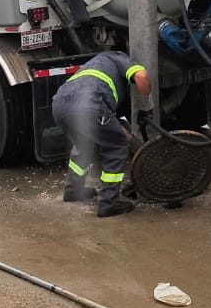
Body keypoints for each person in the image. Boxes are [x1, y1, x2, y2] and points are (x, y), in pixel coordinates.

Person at [51, 51, 152, 218]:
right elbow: (142, 77)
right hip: (91, 105)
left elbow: (120, 109)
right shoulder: (118, 57)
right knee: (116, 145)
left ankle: (73, 191)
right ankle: (108, 203)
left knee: (84, 143)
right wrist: (147, 95)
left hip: (60, 105)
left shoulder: (95, 65)